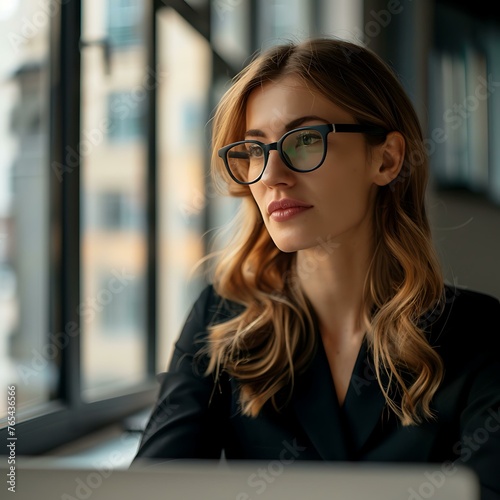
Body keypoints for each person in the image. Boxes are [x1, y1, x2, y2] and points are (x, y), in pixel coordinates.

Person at [132, 37, 500, 499]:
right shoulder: (223, 320)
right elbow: (150, 490)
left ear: (386, 159)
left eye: (305, 141)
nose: (270, 175)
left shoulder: (480, 334)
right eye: (255, 149)